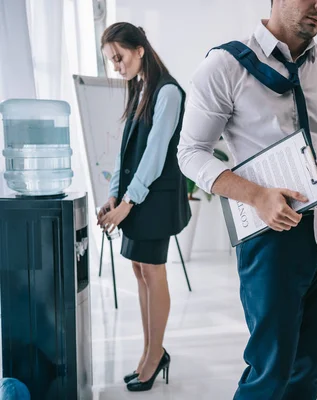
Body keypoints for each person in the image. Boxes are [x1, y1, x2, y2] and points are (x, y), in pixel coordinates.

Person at [177, 1, 317, 398]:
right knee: (270, 371)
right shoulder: (225, 65)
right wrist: (257, 195)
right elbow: (191, 152)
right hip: (271, 237)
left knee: (311, 370)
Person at [97, 22, 191, 391]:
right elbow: (127, 152)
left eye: (119, 57)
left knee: (153, 273)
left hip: (154, 200)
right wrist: (113, 195)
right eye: (111, 61)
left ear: (139, 50)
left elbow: (154, 155)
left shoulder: (168, 91)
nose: (117, 66)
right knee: (140, 272)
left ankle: (155, 355)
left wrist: (129, 202)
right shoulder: (140, 90)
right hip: (137, 198)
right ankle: (150, 350)